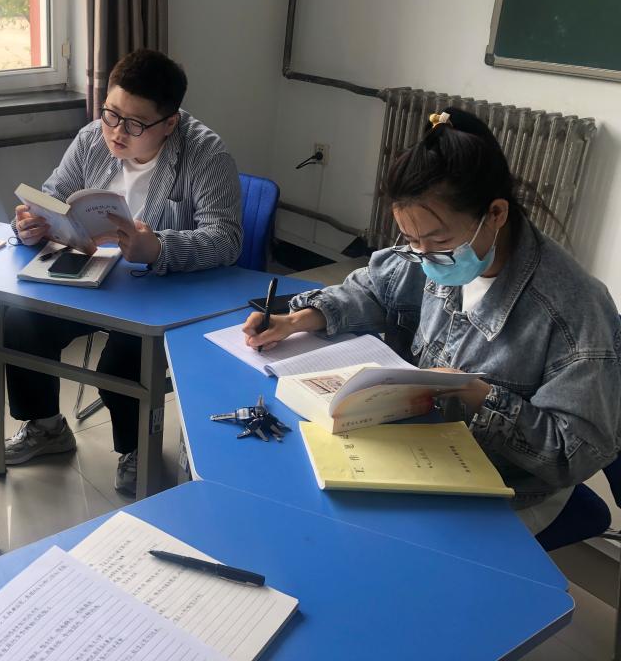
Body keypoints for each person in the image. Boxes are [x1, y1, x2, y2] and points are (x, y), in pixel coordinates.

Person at [243, 107, 621, 544]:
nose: (423, 256)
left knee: (377, 548)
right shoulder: (432, 249)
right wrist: (300, 318)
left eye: (438, 242)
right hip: (422, 448)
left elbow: (573, 453)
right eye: (411, 240)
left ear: (496, 213)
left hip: (509, 488)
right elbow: (376, 286)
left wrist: (478, 394)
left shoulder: (572, 310)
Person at [4, 49, 243, 495]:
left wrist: (160, 247)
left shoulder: (207, 154)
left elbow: (226, 240)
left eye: (134, 124)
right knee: (20, 321)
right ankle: (47, 426)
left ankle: (137, 448)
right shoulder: (92, 138)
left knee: (123, 363)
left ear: (169, 123)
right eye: (111, 114)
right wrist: (33, 224)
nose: (116, 131)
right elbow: (53, 195)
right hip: (94, 275)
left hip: (159, 289)